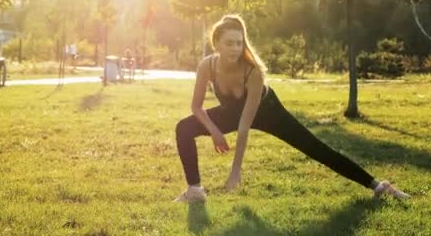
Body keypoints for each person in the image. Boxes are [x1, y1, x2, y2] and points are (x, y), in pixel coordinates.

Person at [174, 15, 410, 202]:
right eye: (229, 43)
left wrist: (235, 170)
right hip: (232, 111)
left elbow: (244, 125)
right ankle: (195, 191)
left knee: (316, 148)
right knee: (184, 128)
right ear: (216, 44)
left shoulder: (253, 71)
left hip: (269, 112)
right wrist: (214, 130)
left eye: (239, 42)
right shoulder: (207, 66)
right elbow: (196, 106)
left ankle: (379, 187)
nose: (235, 48)